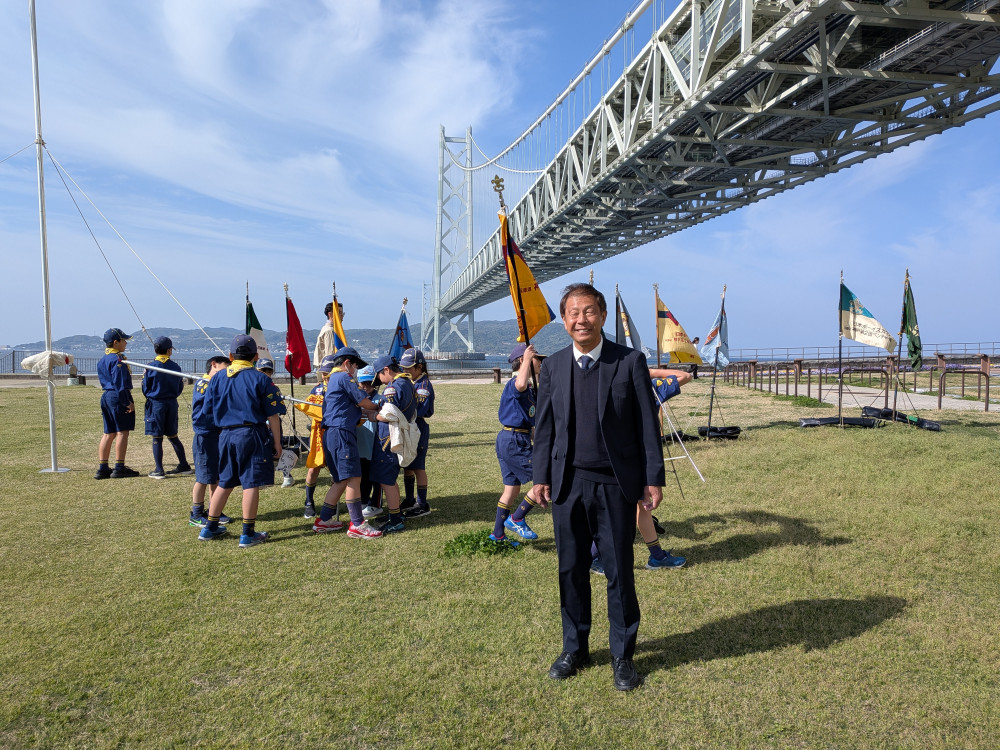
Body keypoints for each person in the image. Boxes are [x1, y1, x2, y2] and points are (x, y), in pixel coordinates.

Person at [533, 282, 665, 692]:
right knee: (570, 568)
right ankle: (575, 648)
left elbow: (647, 423)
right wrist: (539, 477)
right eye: (573, 313)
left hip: (614, 484)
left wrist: (652, 477)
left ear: (603, 316)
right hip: (567, 484)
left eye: (588, 311)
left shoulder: (628, 362)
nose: (580, 320)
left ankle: (623, 655)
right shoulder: (553, 365)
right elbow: (545, 429)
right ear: (564, 319)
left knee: (619, 571)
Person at [197, 335, 284, 548]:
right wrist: (277, 442)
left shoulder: (216, 378)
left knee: (225, 482)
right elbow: (273, 415)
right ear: (256, 357)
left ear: (230, 356)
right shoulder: (261, 379)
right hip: (251, 433)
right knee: (251, 482)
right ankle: (248, 533)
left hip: (225, 435)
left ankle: (209, 527)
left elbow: (207, 410)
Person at [312, 347, 384, 539]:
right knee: (354, 477)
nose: (356, 371)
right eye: (355, 366)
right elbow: (362, 400)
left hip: (332, 433)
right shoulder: (344, 377)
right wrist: (378, 406)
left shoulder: (332, 379)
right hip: (342, 433)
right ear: (346, 364)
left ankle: (324, 520)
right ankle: (358, 524)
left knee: (341, 480)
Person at [491, 342, 544, 544]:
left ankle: (497, 534)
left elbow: (532, 421)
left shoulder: (529, 390)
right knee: (544, 475)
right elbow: (520, 384)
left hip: (513, 438)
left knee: (511, 489)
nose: (540, 361)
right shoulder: (516, 384)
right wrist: (529, 358)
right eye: (537, 357)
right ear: (524, 360)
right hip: (513, 440)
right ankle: (517, 518)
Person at [367, 354, 417, 534]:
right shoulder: (407, 383)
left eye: (380, 376)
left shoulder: (393, 388)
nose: (380, 380)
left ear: (386, 370)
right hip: (395, 436)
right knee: (390, 478)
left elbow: (388, 414)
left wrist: (371, 415)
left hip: (388, 438)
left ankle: (395, 519)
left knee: (386, 479)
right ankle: (394, 512)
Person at [189, 355, 232, 528]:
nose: (227, 373)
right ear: (213, 365)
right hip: (205, 436)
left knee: (216, 476)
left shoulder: (216, 384)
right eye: (225, 368)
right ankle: (196, 514)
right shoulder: (204, 384)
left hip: (217, 435)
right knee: (203, 477)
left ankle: (214, 509)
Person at [142, 336, 192, 479]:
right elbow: (180, 387)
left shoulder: (151, 367)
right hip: (171, 403)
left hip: (156, 403)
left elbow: (146, 388)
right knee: (173, 435)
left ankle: (159, 469)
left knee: (157, 437)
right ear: (169, 350)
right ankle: (184, 464)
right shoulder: (175, 367)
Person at [95, 327, 140, 479]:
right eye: (124, 340)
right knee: (122, 432)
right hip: (118, 395)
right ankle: (119, 466)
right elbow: (119, 383)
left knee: (108, 433)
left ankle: (103, 467)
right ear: (116, 342)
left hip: (106, 396)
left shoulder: (103, 359)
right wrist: (126, 402)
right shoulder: (118, 360)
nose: (126, 343)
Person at [301, 354, 337, 518]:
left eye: (328, 372)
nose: (325, 376)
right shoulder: (316, 389)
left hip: (335, 433)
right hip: (318, 434)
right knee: (313, 467)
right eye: (323, 372)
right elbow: (309, 406)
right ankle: (309, 501)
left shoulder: (340, 387)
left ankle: (332, 503)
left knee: (335, 469)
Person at [399, 348, 434, 518]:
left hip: (418, 427)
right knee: (407, 465)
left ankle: (423, 503)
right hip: (407, 427)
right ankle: (410, 498)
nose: (405, 372)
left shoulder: (424, 386)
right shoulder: (409, 382)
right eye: (403, 368)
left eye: (409, 369)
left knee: (418, 466)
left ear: (419, 367)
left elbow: (420, 409)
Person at [257, 358, 294, 488]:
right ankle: (263, 478)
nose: (265, 373)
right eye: (262, 370)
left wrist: (268, 421)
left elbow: (274, 411)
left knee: (278, 449)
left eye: (268, 371)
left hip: (272, 425)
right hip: (260, 425)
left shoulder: (273, 388)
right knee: (261, 452)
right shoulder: (255, 386)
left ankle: (287, 475)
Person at [356, 365, 383, 519]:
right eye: (363, 383)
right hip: (360, 445)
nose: (366, 387)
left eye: (369, 383)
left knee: (376, 476)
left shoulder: (380, 400)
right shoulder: (356, 400)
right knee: (363, 476)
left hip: (375, 444)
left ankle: (376, 503)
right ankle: (363, 501)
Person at [312, 301, 345, 375]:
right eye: (339, 313)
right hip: (328, 370)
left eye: (342, 313)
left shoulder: (329, 329)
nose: (341, 315)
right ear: (330, 314)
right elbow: (330, 354)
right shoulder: (330, 330)